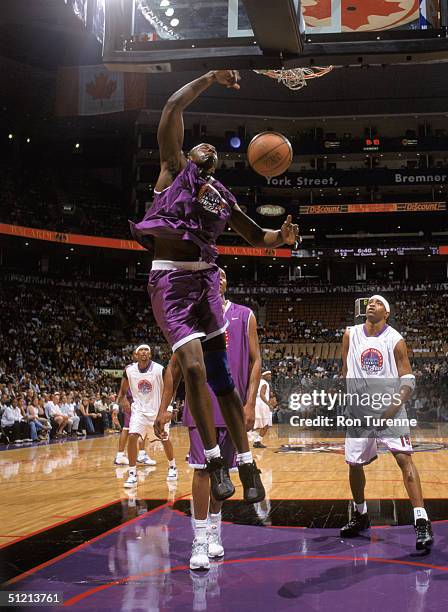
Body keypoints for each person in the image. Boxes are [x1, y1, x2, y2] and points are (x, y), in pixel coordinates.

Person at [130, 70, 299, 503]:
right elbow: (172, 108)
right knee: (193, 368)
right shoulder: (172, 171)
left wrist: (279, 239)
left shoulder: (220, 196)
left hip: (205, 279)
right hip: (169, 280)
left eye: (214, 150)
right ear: (188, 152)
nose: (208, 148)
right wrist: (209, 78)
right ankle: (213, 458)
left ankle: (247, 462)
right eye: (200, 145)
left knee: (223, 378)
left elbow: (252, 234)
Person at [163, 268, 261, 570]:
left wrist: (250, 403)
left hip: (231, 407)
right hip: (200, 406)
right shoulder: (191, 318)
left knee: (224, 478)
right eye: (211, 275)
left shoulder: (245, 315)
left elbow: (256, 360)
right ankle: (200, 539)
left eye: (222, 275)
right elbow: (174, 367)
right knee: (204, 470)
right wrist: (164, 407)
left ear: (227, 283)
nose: (217, 278)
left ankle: (215, 530)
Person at [340, 295, 434, 551]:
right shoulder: (350, 334)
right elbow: (345, 371)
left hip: (389, 408)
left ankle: (421, 520)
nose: (372, 304)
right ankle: (360, 514)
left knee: (405, 459)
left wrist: (393, 408)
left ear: (387, 313)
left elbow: (408, 379)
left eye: (378, 303)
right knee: (354, 464)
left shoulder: (395, 340)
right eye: (369, 301)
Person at [117, 345, 177, 488]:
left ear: (150, 354)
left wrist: (169, 408)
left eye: (146, 351)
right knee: (132, 436)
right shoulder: (129, 370)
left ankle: (172, 466)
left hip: (158, 411)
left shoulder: (159, 369)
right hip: (139, 411)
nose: (144, 352)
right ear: (135, 354)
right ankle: (132, 473)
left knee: (164, 438)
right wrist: (121, 399)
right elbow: (122, 391)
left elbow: (170, 388)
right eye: (141, 351)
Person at [252, 371, 273, 448]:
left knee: (258, 424)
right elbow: (261, 394)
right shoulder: (264, 383)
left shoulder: (258, 382)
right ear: (263, 375)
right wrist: (269, 404)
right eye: (268, 374)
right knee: (265, 424)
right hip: (262, 404)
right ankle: (257, 441)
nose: (270, 376)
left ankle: (257, 441)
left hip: (257, 403)